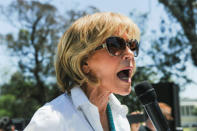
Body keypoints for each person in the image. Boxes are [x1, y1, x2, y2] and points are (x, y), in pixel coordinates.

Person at [24, 12, 140, 131]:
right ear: (84, 62)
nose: (130, 53)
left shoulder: (120, 118)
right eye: (115, 45)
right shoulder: (51, 120)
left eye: (132, 46)